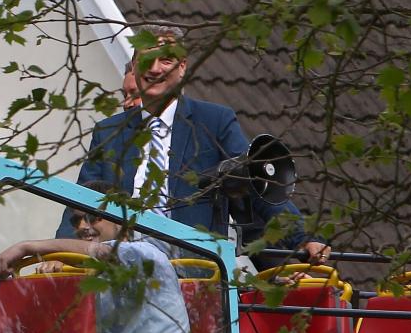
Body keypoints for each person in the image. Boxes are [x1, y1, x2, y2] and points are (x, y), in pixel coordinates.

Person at [59, 24, 330, 268]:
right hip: (119, 265)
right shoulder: (109, 132)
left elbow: (256, 182)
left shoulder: (213, 122)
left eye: (166, 60)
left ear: (182, 68)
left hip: (191, 268)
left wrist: (302, 237)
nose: (154, 69)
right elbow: (82, 201)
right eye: (146, 61)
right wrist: (61, 256)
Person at [0, 205, 190, 333]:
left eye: (93, 217)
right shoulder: (90, 274)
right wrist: (60, 278)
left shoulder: (145, 254)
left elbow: (104, 253)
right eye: (75, 220)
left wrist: (27, 247)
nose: (81, 226)